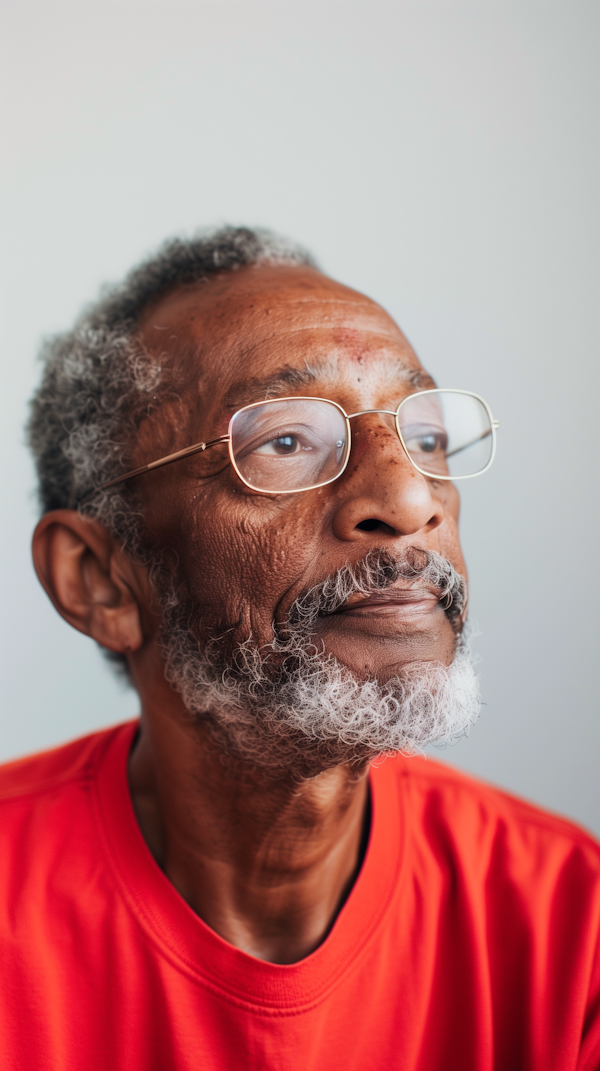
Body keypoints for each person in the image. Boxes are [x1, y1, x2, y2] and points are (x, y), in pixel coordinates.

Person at [2, 227, 599, 1071]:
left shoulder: (568, 925)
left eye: (424, 436)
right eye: (284, 441)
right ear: (99, 578)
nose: (407, 495)